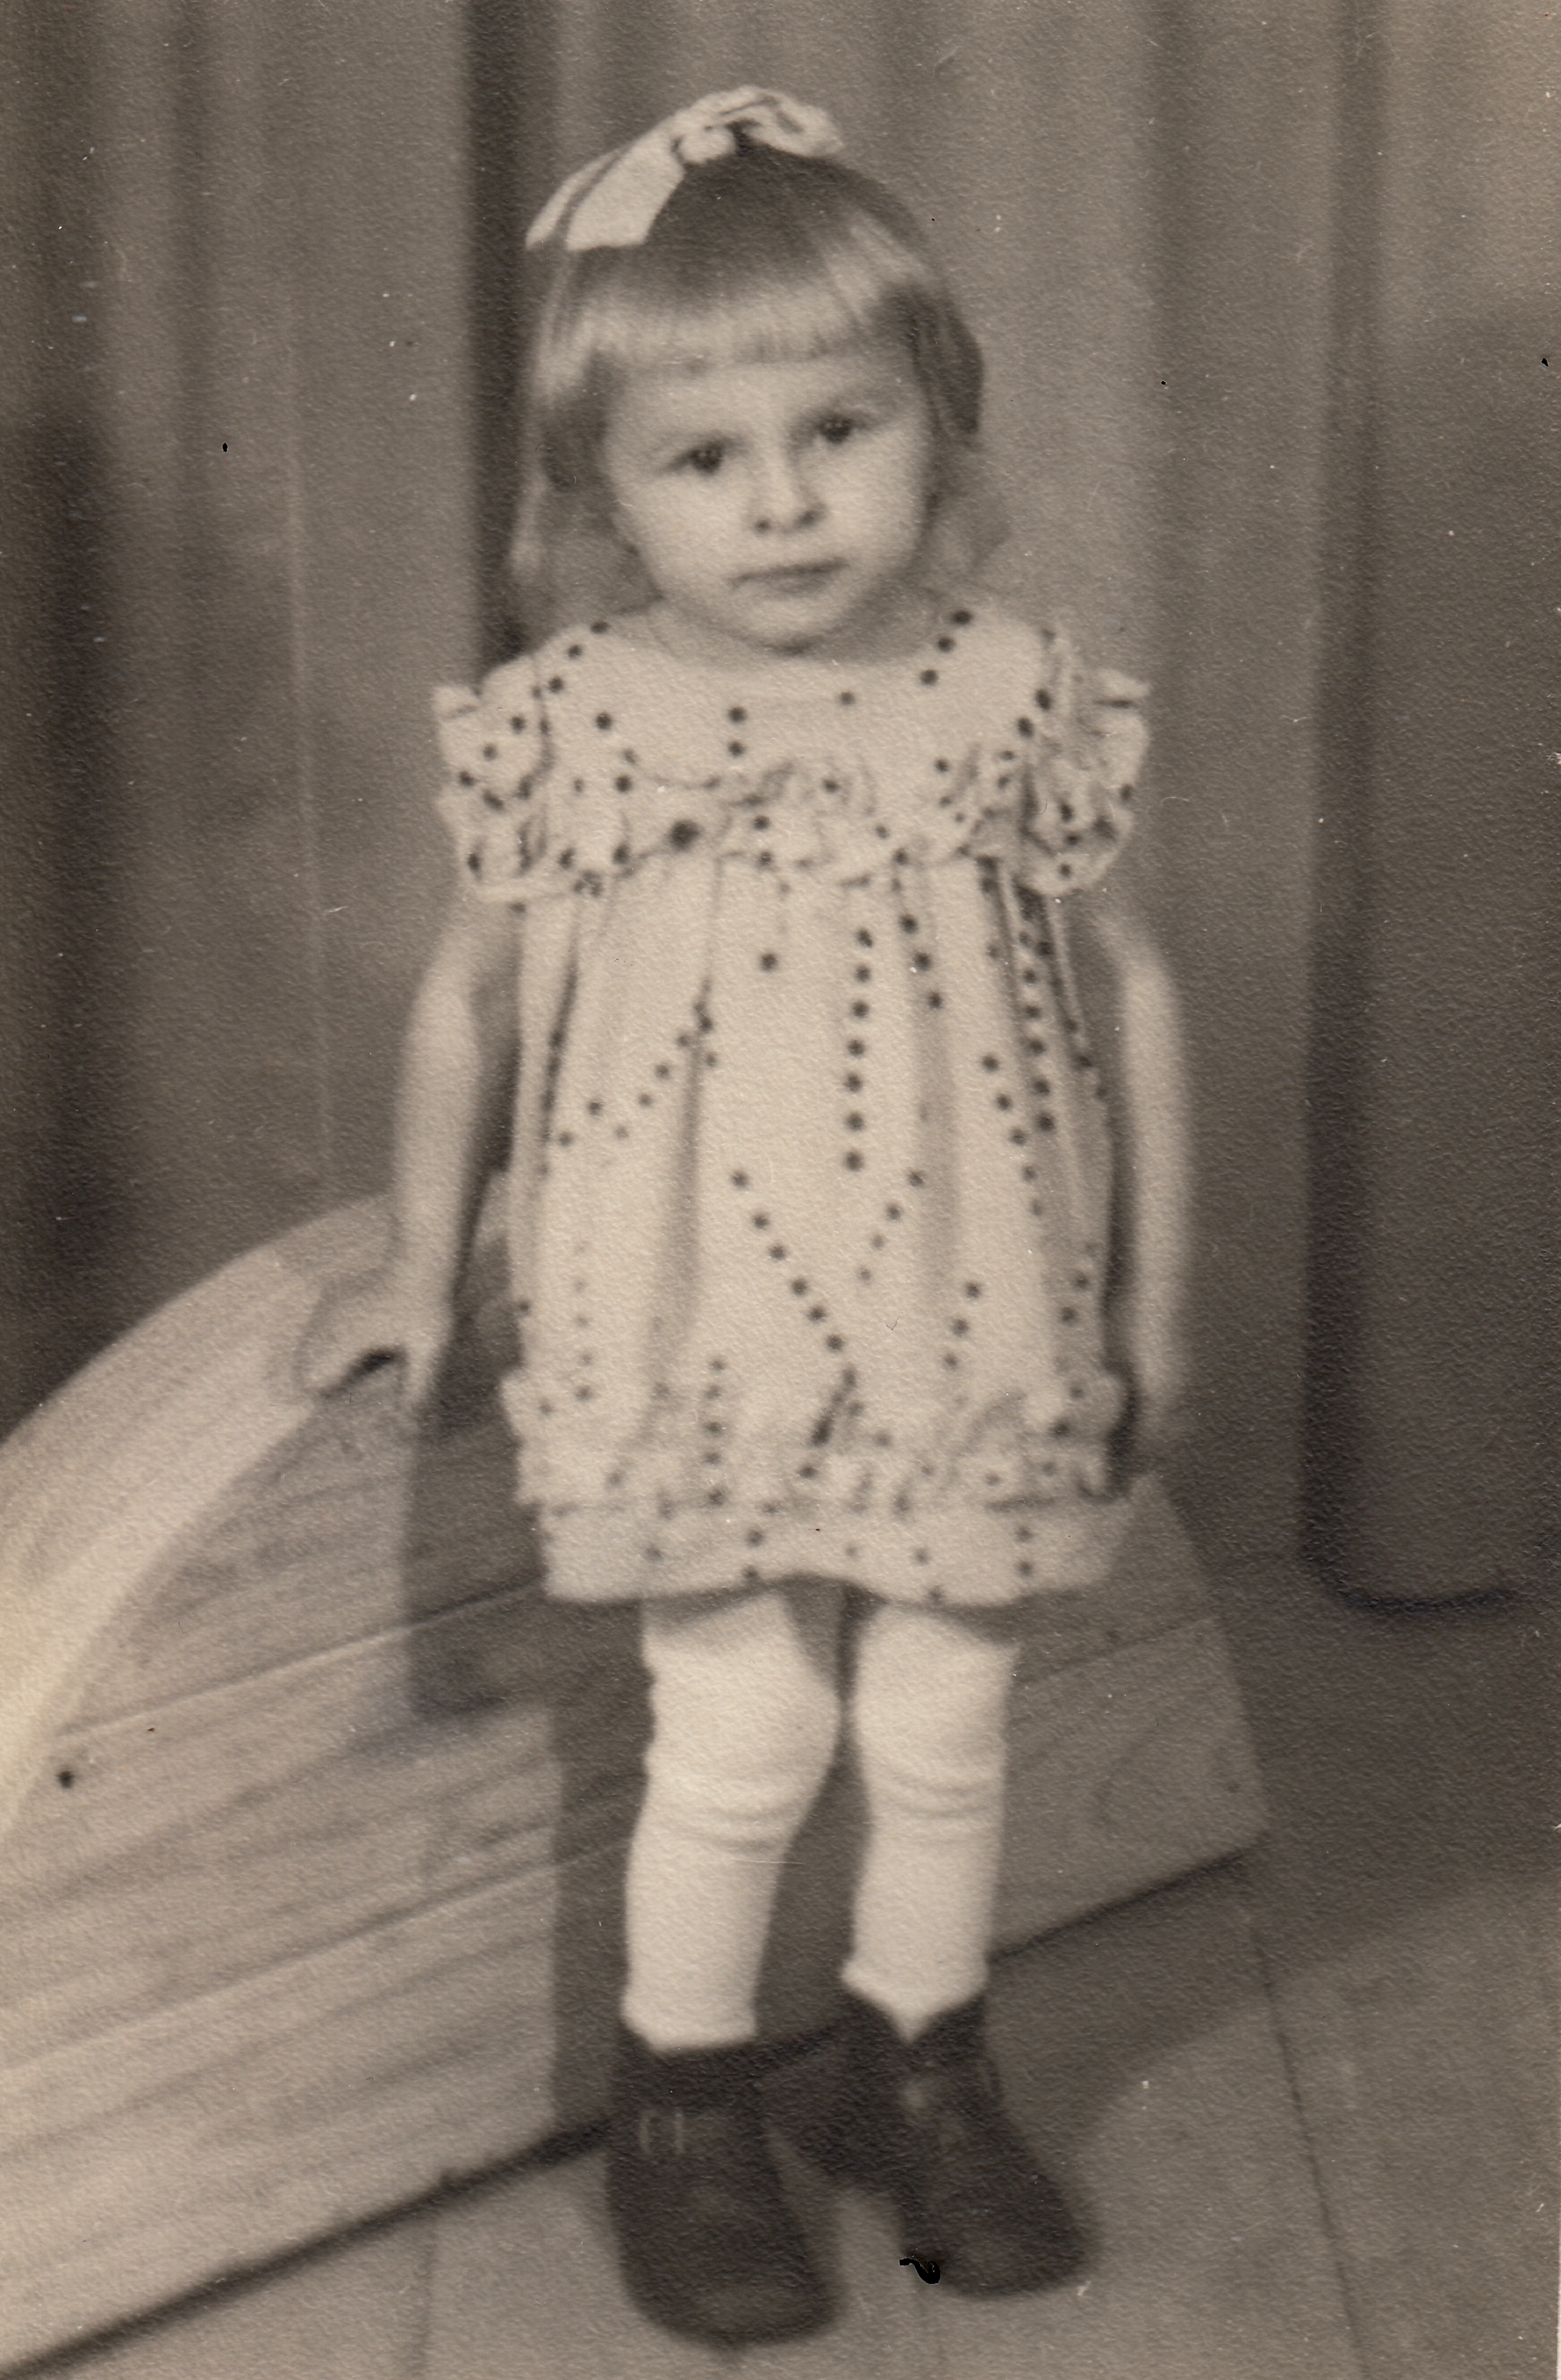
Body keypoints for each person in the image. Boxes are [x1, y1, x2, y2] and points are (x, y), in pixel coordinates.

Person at [299, 87, 1190, 2349]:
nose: (781, 501)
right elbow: (466, 1004)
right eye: (704, 457)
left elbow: (1131, 991)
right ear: (600, 492)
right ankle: (682, 2106)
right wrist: (418, 1265)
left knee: (944, 1717)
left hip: (970, 1306)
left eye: (838, 431)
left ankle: (919, 2066)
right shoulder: (575, 719)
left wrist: (1154, 1300)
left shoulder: (1008, 690)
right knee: (748, 1732)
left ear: (935, 428)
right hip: (682, 1313)